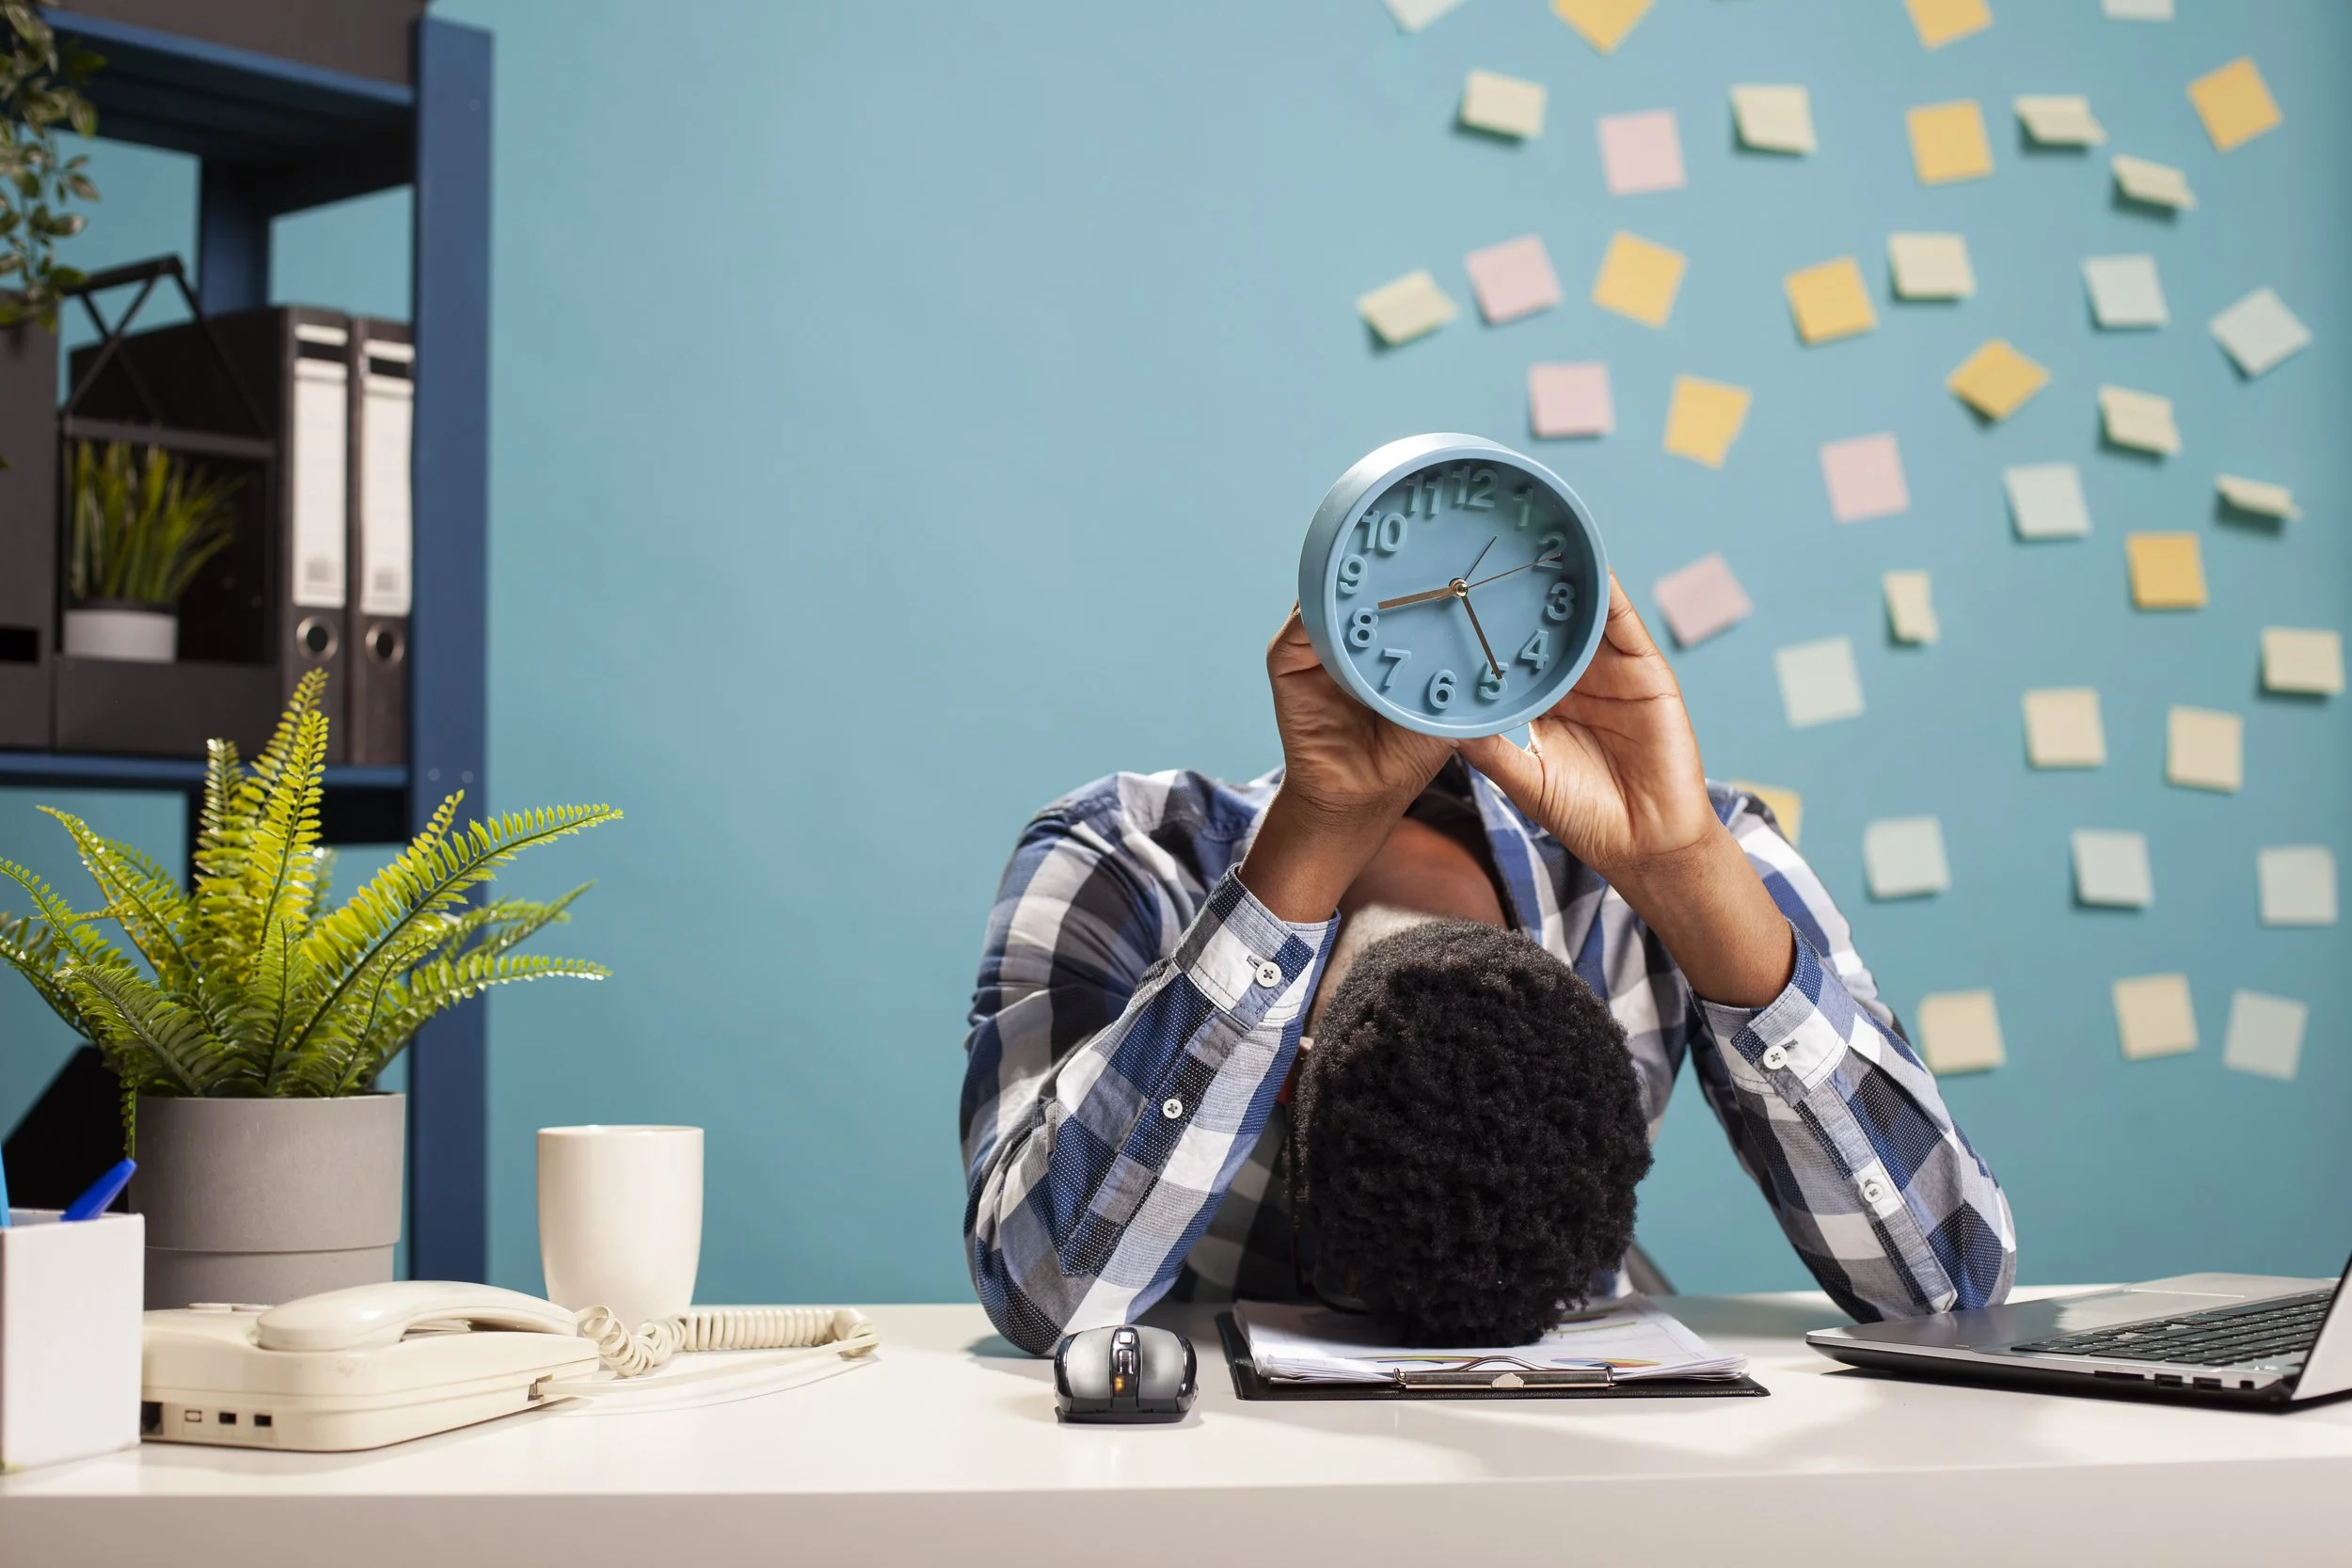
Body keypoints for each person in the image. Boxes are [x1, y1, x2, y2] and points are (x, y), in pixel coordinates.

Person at [959, 579, 2014, 1355]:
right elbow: (1051, 1295)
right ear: (1285, 1065)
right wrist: (1300, 859)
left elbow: (1944, 1285)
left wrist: (1684, 869)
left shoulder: (1699, 855)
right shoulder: (1124, 859)